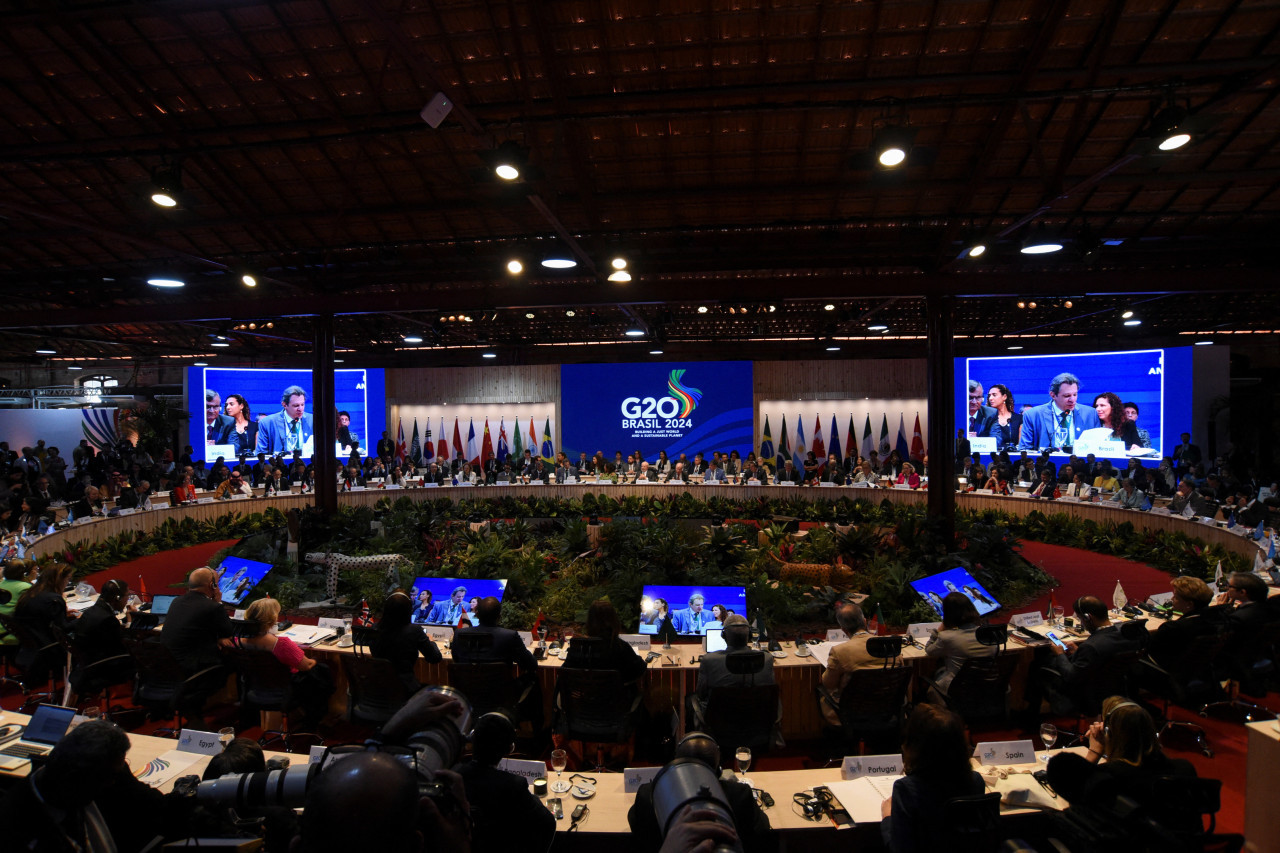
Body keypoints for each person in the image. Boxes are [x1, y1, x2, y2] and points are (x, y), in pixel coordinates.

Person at [1046, 697, 1197, 827]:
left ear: (1109, 734)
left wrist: (1094, 752)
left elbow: (1075, 804)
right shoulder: (1185, 768)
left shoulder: (1108, 776)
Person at [0, 720, 135, 853]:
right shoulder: (16, 832)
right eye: (108, 777)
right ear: (74, 776)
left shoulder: (75, 785)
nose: (112, 783)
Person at [627, 733, 774, 853]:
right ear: (718, 772)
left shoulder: (649, 796)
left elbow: (636, 826)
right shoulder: (740, 795)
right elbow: (762, 832)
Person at [880, 704, 986, 853]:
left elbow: (898, 848)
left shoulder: (906, 790)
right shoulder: (975, 781)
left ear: (915, 745)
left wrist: (887, 818)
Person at [455, 711, 555, 853]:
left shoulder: (453, 777)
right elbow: (548, 824)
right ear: (510, 749)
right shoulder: (514, 786)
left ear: (472, 739)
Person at [1040, 595, 1144, 714]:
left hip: (1087, 696)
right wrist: (1078, 651)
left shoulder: (1091, 646)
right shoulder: (1126, 636)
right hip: (1116, 690)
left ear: (1088, 617)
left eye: (1080, 619)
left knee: (1039, 664)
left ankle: (1030, 716)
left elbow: (1071, 676)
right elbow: (1100, 660)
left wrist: (1060, 655)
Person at [239, 597, 333, 728]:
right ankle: (316, 719)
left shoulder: (240, 642)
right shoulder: (281, 644)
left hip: (256, 690)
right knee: (323, 669)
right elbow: (306, 666)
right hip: (286, 691)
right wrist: (316, 659)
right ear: (272, 618)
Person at [689, 613, 776, 728]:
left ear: (723, 636)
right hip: (756, 725)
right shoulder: (767, 659)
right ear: (749, 635)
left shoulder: (709, 660)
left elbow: (701, 694)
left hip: (719, 726)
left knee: (689, 700)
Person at [818, 603, 898, 726]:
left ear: (843, 629)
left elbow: (828, 684)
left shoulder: (839, 651)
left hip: (851, 712)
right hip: (887, 708)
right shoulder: (892, 647)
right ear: (865, 621)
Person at [1145, 576, 1221, 680]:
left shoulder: (1173, 628)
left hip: (1167, 674)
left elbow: (1149, 648)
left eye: (1176, 597)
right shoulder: (1215, 622)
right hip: (1199, 674)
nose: (1172, 599)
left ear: (1189, 604)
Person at [161, 567, 235, 674]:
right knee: (234, 661)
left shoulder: (176, 601)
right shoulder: (213, 607)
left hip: (169, 665)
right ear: (212, 585)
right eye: (217, 584)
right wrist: (217, 603)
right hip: (195, 667)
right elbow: (229, 633)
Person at [69, 578, 136, 695]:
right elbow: (123, 645)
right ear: (117, 598)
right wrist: (130, 622)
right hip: (103, 667)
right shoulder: (107, 619)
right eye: (127, 596)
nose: (127, 600)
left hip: (86, 664)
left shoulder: (91, 611)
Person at [14, 562, 77, 682]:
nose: (68, 582)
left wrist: (61, 614)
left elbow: (39, 616)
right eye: (68, 579)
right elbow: (63, 629)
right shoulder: (54, 599)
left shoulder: (30, 593)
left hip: (31, 645)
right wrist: (81, 619)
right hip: (51, 647)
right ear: (60, 579)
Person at [370, 590, 443, 693]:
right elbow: (435, 658)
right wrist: (431, 642)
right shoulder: (414, 631)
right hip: (406, 688)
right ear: (408, 610)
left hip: (378, 687)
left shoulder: (374, 628)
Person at [923, 592, 990, 697]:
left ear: (948, 614)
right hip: (986, 688)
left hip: (956, 691)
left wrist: (938, 630)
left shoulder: (947, 637)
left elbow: (929, 650)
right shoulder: (988, 636)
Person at [562, 600, 647, 683]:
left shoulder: (577, 647)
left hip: (583, 696)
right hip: (616, 696)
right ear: (614, 620)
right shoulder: (620, 647)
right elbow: (640, 669)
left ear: (589, 621)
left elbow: (564, 672)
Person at [1019, 372, 1103, 451]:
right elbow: (1025, 449)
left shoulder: (1090, 414)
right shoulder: (1033, 415)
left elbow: (1098, 447)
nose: (1072, 400)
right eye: (1067, 396)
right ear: (1053, 395)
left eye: (1075, 394)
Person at [255, 385, 315, 455]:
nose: (300, 409)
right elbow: (261, 454)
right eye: (296, 405)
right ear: (284, 405)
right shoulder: (267, 423)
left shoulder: (313, 420)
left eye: (302, 404)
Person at [0, 559, 34, 648]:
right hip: (13, 633)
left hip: (3, 629)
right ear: (24, 573)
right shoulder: (25, 587)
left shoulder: (1, 584)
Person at [979, 383, 1022, 451]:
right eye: (989, 396)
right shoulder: (986, 419)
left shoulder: (1019, 419)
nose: (990, 398)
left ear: (1004, 397)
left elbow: (1021, 446)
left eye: (994, 395)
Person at [220, 393, 258, 458]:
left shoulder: (255, 426)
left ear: (241, 406)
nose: (228, 407)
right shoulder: (223, 427)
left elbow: (258, 451)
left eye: (231, 404)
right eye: (226, 405)